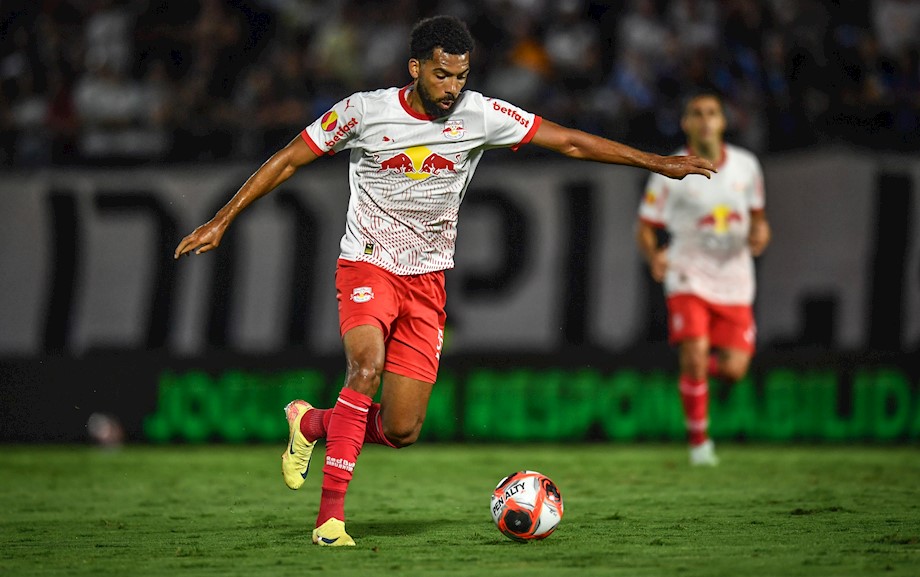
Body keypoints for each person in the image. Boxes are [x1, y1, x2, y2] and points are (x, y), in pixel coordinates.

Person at [175, 15, 715, 546]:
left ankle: (312, 423)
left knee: (402, 430)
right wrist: (223, 218)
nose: (453, 88)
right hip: (368, 264)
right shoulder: (364, 112)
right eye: (442, 75)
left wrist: (656, 163)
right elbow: (290, 158)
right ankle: (330, 521)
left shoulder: (480, 115)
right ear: (416, 67)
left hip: (427, 281)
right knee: (365, 367)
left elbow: (570, 142)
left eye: (461, 76)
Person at [635, 92, 770, 466]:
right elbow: (645, 227)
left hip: (735, 279)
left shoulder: (747, 166)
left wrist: (761, 233)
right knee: (695, 351)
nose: (706, 119)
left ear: (723, 121)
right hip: (688, 273)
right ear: (686, 124)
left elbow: (759, 219)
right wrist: (653, 255)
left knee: (733, 370)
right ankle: (700, 445)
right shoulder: (670, 170)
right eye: (697, 113)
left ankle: (689, 377)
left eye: (712, 113)